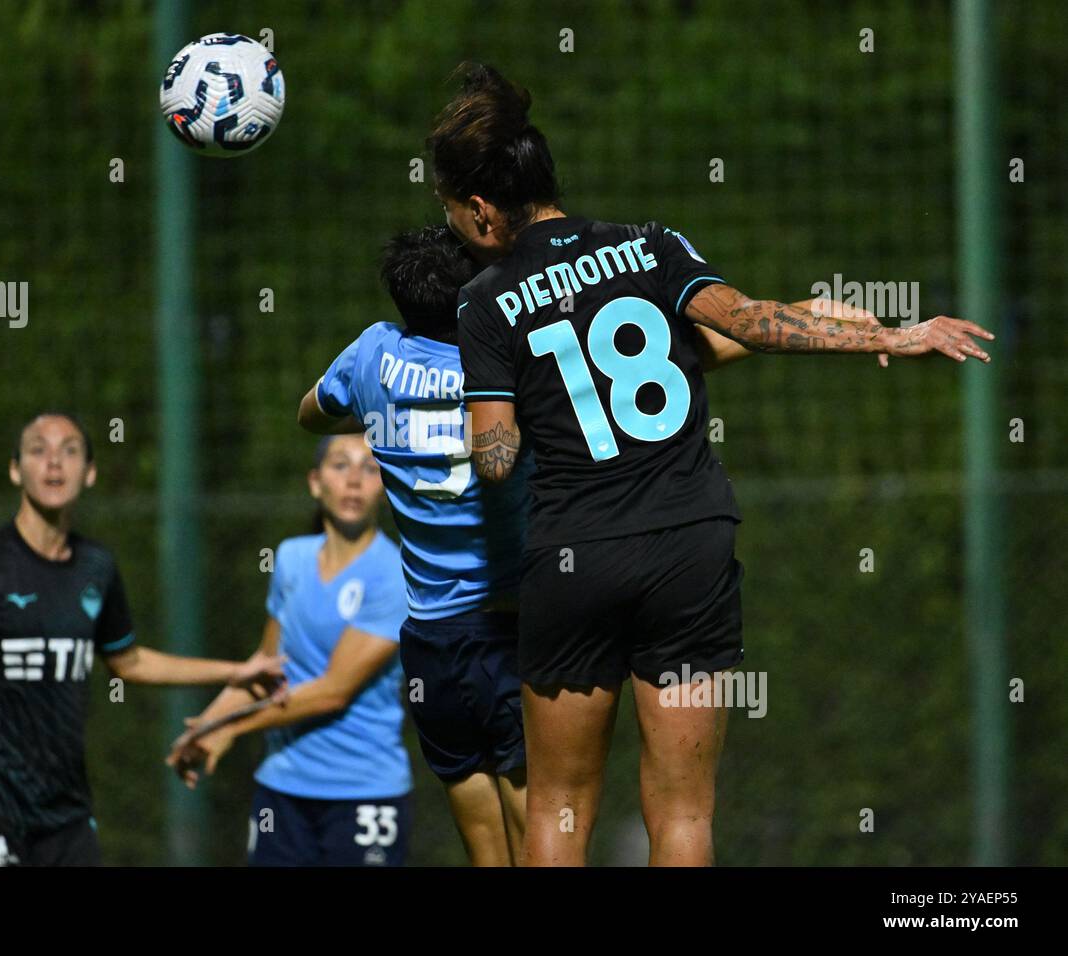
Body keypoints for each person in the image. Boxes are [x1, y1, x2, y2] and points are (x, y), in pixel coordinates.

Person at [429, 63, 995, 866]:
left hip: (575, 555)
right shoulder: (650, 245)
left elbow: (496, 458)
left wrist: (490, 421)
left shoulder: (484, 302)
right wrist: (887, 333)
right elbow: (748, 324)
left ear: (482, 210)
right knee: (686, 814)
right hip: (689, 543)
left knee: (558, 807)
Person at [292, 224, 758, 865]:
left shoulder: (370, 354)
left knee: (487, 849)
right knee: (550, 823)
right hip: (510, 623)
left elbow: (312, 411)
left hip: (430, 637)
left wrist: (384, 407)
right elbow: (696, 352)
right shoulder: (506, 357)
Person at [0, 410, 284, 866]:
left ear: (90, 472)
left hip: (65, 813)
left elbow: (130, 662)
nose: (54, 463)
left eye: (69, 451)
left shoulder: (96, 568)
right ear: (14, 469)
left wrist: (236, 670)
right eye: (38, 450)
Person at [168, 434, 413, 867]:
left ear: (385, 487)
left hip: (364, 793)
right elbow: (266, 672)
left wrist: (231, 729)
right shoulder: (290, 559)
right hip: (280, 791)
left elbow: (333, 691)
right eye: (340, 465)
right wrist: (204, 727)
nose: (354, 480)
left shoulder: (392, 573)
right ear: (315, 483)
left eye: (370, 469)